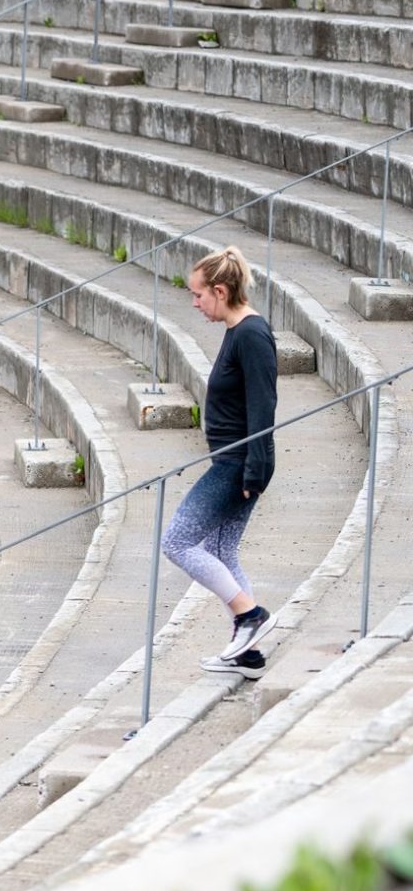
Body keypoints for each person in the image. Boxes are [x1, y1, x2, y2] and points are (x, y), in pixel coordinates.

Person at [166, 245, 279, 678]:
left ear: (219, 290)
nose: (195, 304)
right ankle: (247, 652)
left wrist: (253, 468)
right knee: (220, 549)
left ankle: (251, 616)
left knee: (176, 542)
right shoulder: (237, 332)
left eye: (198, 296)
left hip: (238, 464)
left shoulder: (251, 334)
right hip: (235, 460)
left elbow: (263, 406)